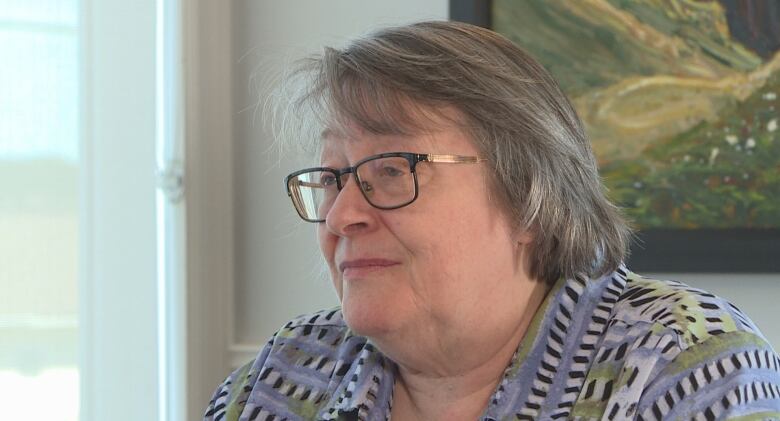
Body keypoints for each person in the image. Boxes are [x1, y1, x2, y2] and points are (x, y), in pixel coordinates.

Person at [204, 21, 780, 420]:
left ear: (528, 196)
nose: (342, 214)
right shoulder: (284, 375)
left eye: (391, 170)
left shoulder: (676, 364)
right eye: (332, 177)